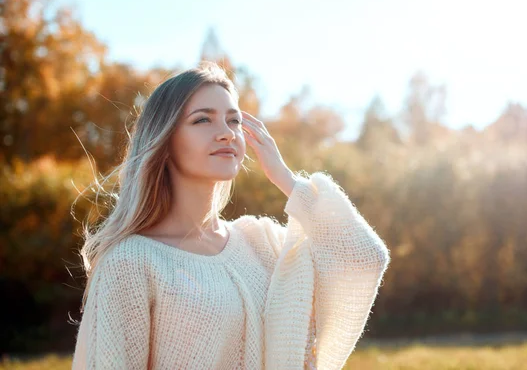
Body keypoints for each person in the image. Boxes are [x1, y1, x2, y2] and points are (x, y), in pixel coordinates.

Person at [71, 62, 391, 370]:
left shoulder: (260, 243)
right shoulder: (130, 263)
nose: (226, 133)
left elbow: (362, 257)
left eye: (234, 120)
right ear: (165, 140)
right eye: (202, 120)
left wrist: (287, 179)